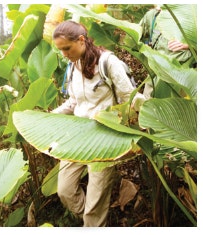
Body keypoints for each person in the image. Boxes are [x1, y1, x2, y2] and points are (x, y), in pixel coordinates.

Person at [51, 20, 146, 227]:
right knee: (65, 190)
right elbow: (74, 101)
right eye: (61, 50)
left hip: (104, 138)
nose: (64, 54)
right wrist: (48, 116)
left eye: (67, 48)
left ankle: (94, 224)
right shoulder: (72, 65)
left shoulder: (107, 62)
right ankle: (93, 222)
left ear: (82, 40)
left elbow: (128, 97)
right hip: (78, 135)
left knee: (95, 203)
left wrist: (144, 121)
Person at [139, 6, 193, 99]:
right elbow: (139, 37)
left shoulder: (191, 14)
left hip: (180, 75)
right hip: (155, 72)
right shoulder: (153, 16)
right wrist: (146, 46)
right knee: (149, 103)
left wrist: (190, 45)